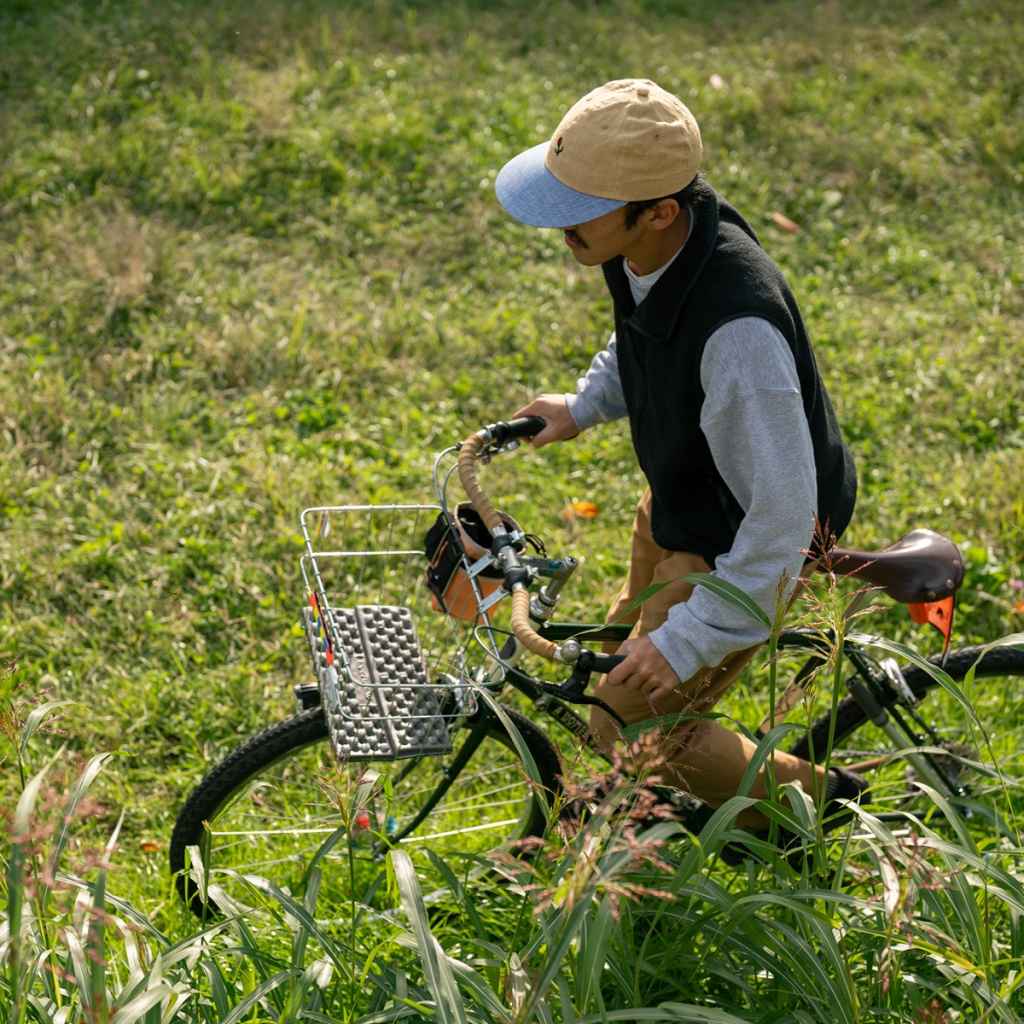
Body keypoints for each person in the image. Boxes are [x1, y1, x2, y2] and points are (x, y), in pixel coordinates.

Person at [494, 78, 863, 826]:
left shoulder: (741, 341)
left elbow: (783, 521)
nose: (560, 225)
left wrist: (690, 639)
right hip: (680, 499)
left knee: (626, 724)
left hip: (744, 548)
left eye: (578, 210)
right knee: (613, 673)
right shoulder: (653, 238)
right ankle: (648, 811)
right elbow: (646, 328)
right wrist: (584, 405)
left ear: (659, 210)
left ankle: (827, 810)